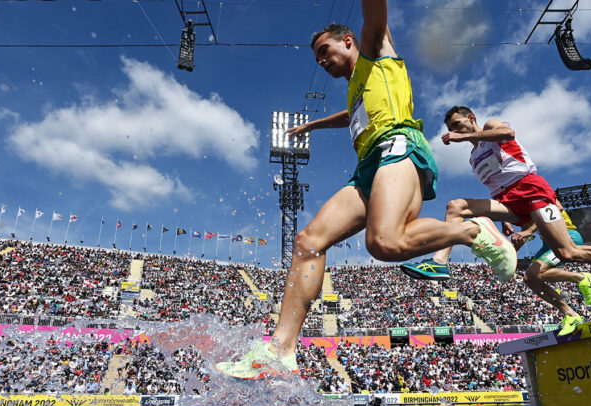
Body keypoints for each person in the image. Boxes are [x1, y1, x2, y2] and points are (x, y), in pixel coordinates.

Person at [215, 1, 517, 380]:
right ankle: (281, 348)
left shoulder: (377, 52)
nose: (321, 62)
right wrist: (310, 128)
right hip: (368, 166)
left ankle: (473, 231)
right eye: (316, 58)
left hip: (398, 146)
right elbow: (349, 116)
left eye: (325, 51)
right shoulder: (356, 88)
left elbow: (375, 12)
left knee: (384, 244)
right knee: (309, 240)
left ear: (348, 40)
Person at [400, 106, 591, 335]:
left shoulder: (491, 127)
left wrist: (467, 135)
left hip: (531, 190)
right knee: (455, 206)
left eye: (457, 125)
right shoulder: (472, 158)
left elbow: (508, 134)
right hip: (508, 201)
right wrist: (505, 221)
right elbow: (495, 184)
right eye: (451, 128)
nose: (455, 131)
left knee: (568, 252)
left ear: (471, 118)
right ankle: (438, 263)